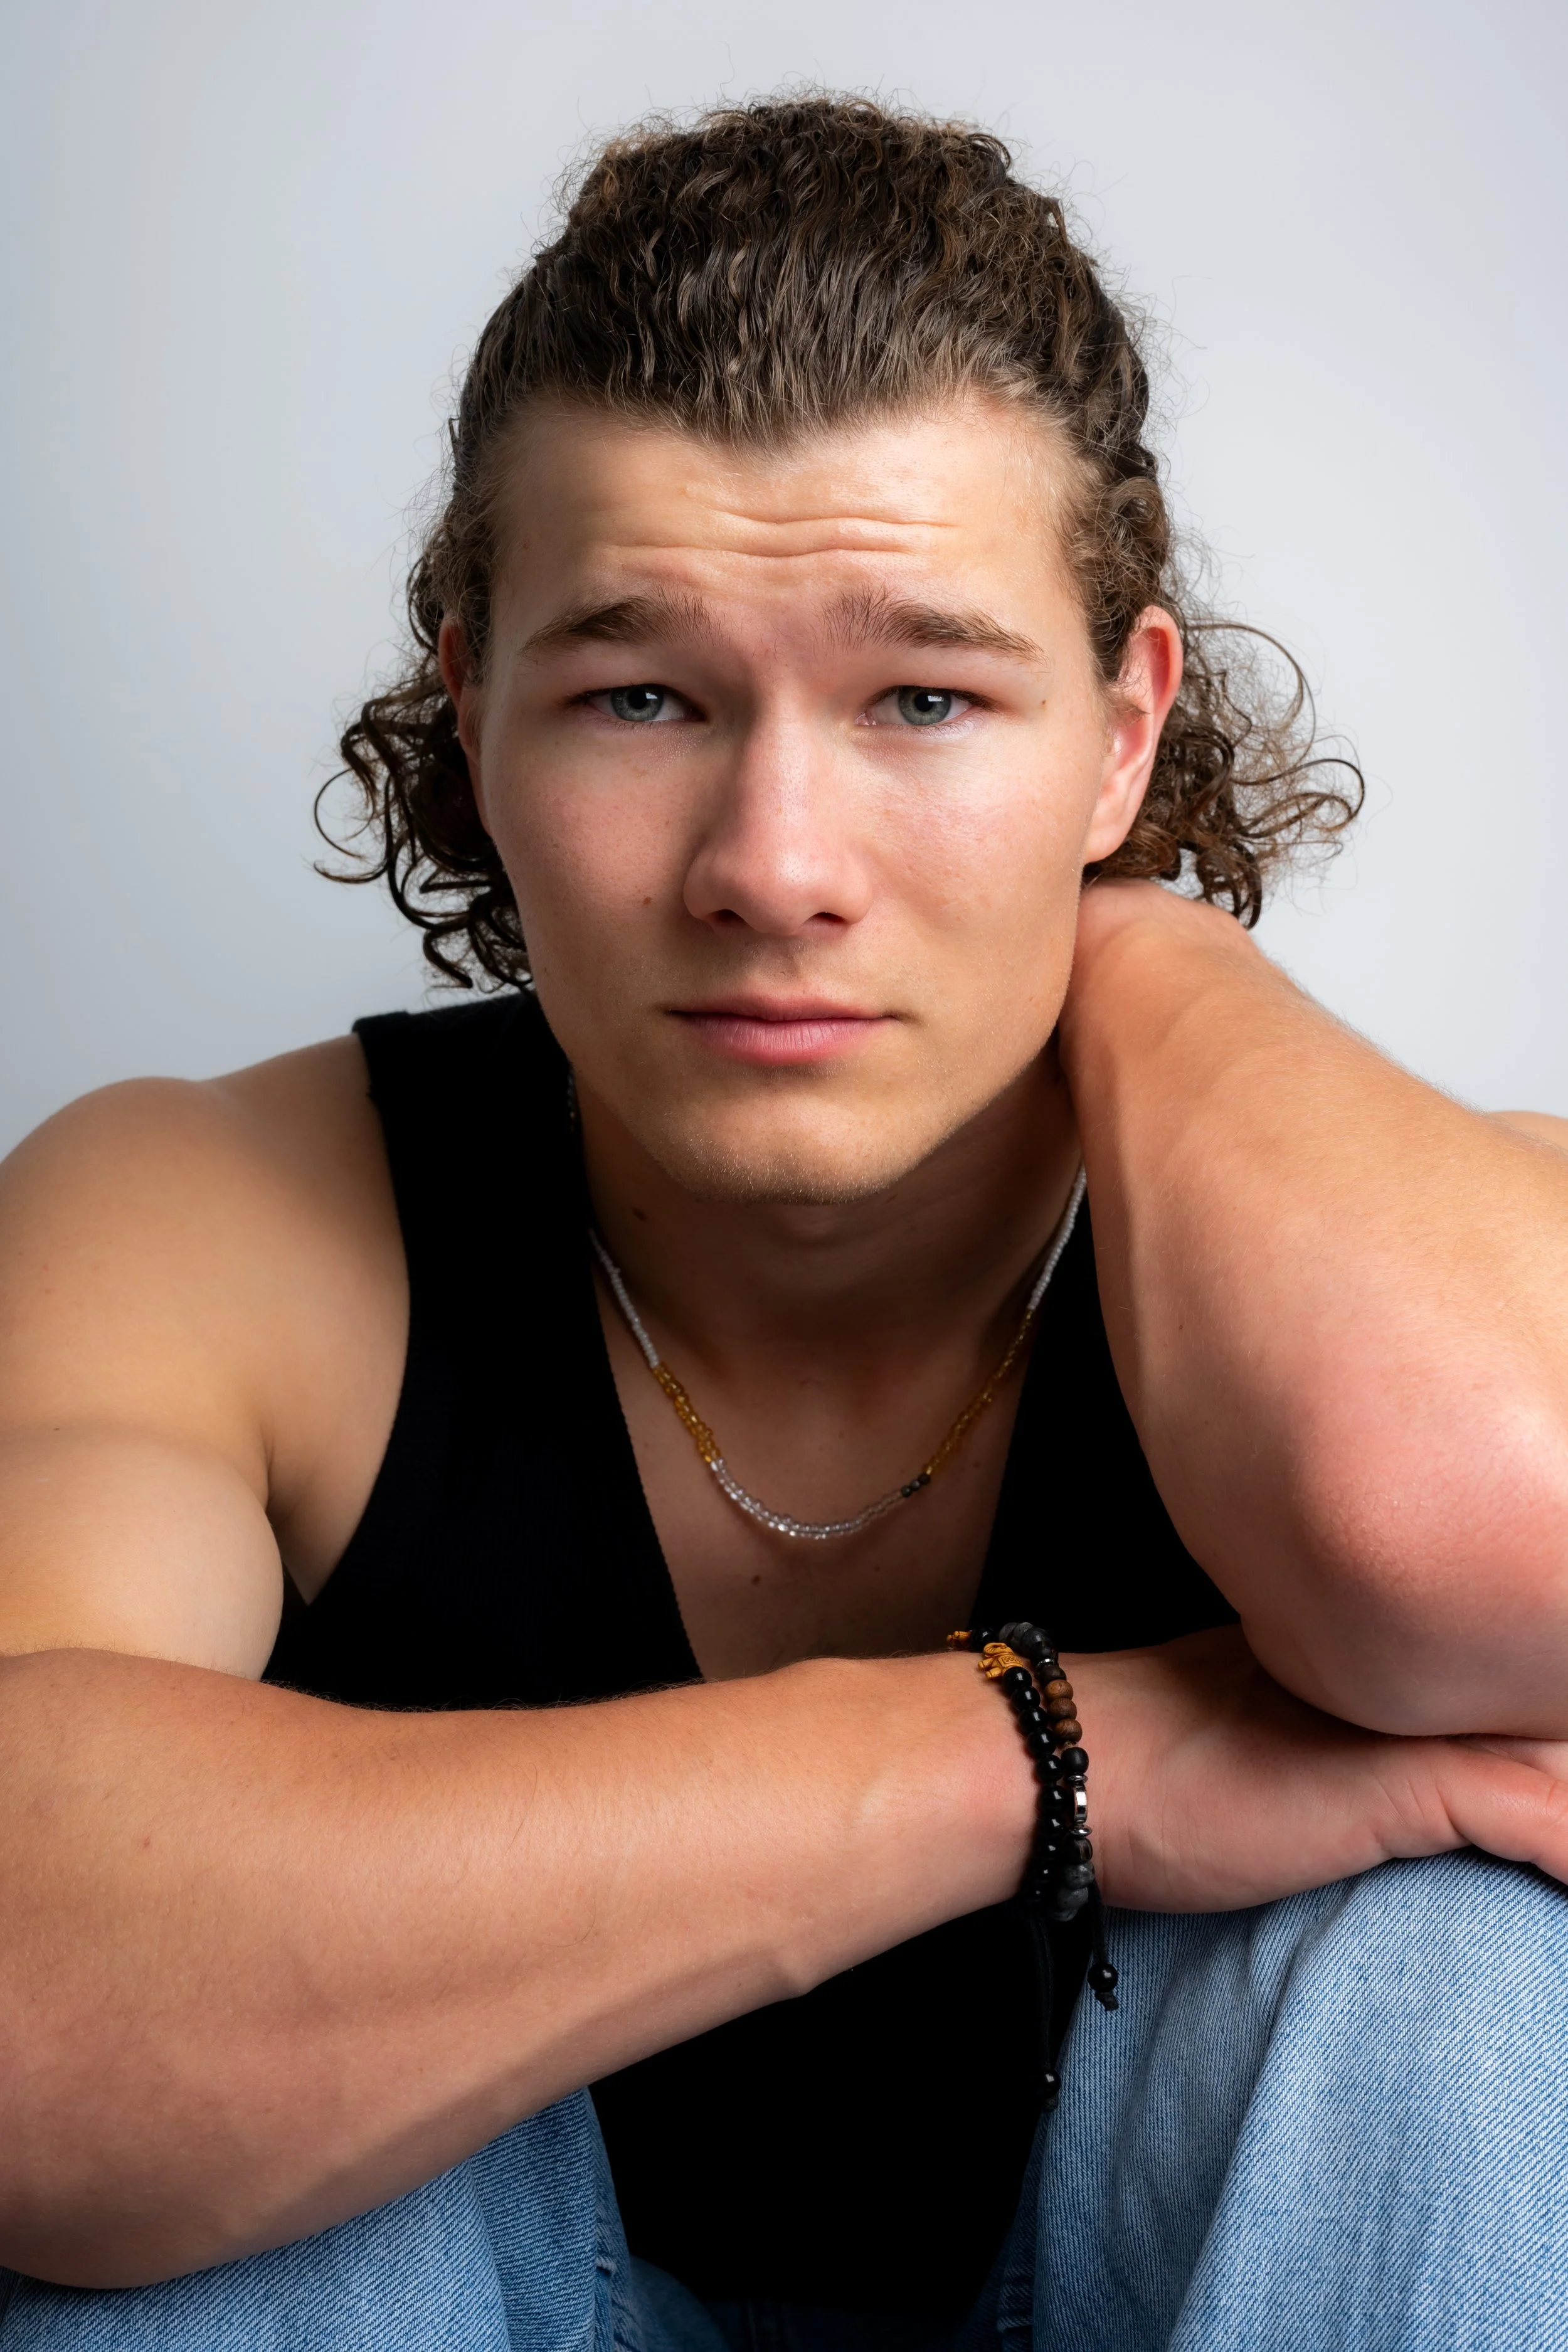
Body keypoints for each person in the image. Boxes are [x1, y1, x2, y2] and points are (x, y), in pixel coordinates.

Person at [3, 94, 1568, 2352]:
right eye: (640, 695)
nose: (774, 864)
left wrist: (1153, 961)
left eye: (928, 698)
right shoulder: (207, 1220)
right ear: (472, 712)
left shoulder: (1401, 1230)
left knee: (1456, 1962)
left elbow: (1487, 1542)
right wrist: (1063, 1754)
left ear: (1122, 731)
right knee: (207, 2109)